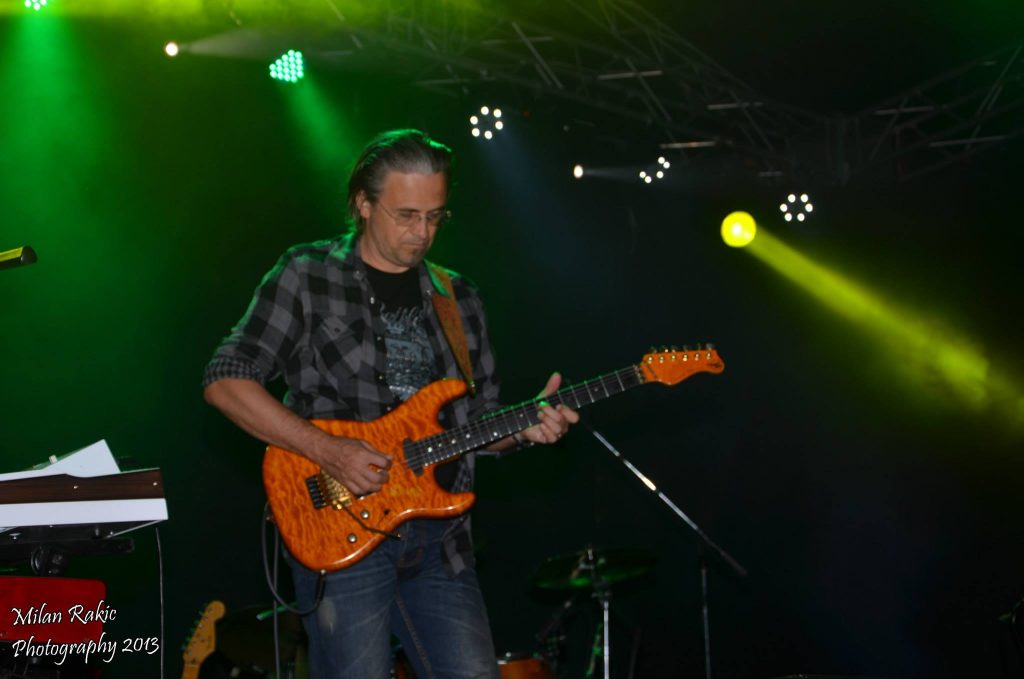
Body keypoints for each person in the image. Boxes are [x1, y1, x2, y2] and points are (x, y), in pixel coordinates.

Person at [202, 129, 578, 679]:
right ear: (363, 202)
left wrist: (524, 428)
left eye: (434, 217)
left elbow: (476, 423)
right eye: (405, 215)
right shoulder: (308, 273)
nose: (421, 233)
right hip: (339, 526)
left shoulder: (459, 297)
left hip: (441, 543)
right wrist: (328, 450)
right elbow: (225, 380)